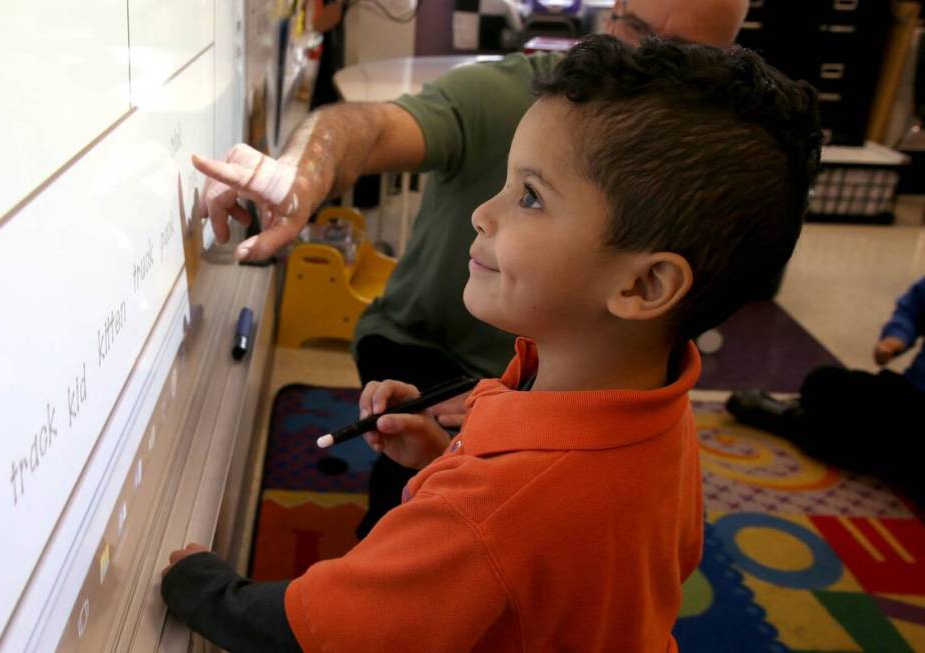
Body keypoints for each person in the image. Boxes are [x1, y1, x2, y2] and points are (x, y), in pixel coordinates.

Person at [160, 36, 822, 652]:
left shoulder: (489, 513)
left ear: (646, 283)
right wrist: (445, 453)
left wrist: (200, 581)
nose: (484, 211)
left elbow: (318, 630)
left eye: (530, 197)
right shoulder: (661, 409)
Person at [191, 0, 751, 538]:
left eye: (684, 54)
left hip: (537, 389)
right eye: (635, 32)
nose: (482, 215)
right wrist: (301, 174)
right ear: (610, 16)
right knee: (410, 507)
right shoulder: (523, 94)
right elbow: (373, 126)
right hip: (438, 355)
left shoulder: (704, 161)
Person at [726, 276, 925, 503]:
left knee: (884, 450)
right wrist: (896, 337)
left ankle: (790, 418)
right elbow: (915, 305)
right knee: (822, 383)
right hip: (912, 394)